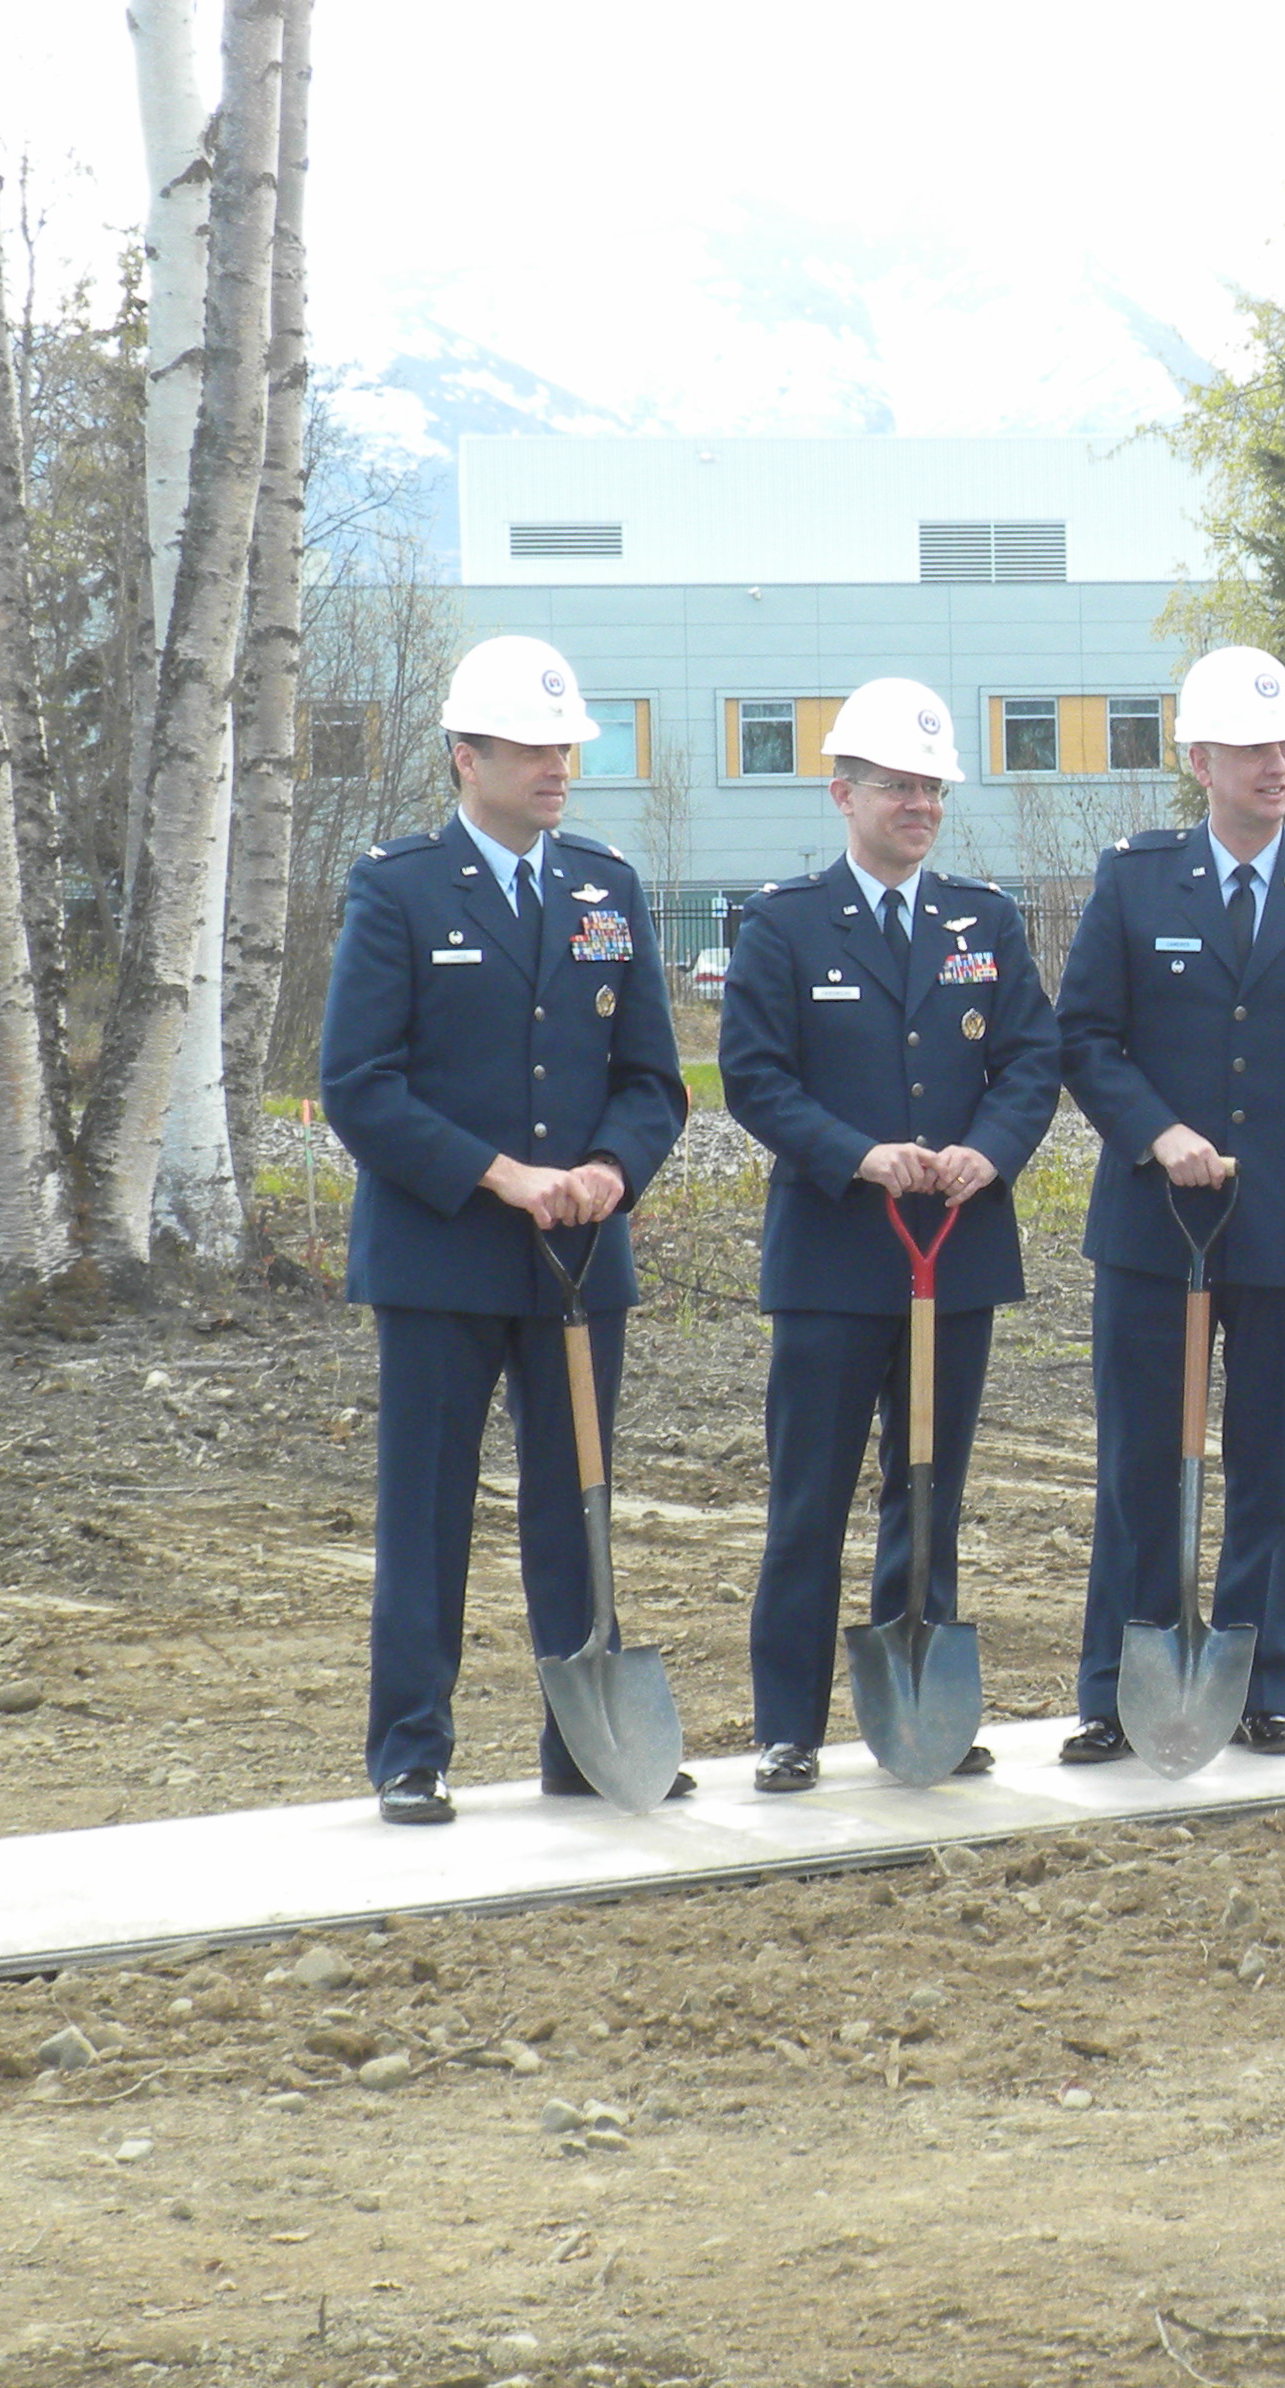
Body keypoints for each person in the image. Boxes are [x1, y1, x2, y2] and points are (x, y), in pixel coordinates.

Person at [320, 635, 691, 1823]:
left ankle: (580, 1741)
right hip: (443, 1255)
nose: (558, 767)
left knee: (575, 1500)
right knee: (426, 1509)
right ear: (463, 756)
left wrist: (606, 1173)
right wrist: (497, 1176)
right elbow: (360, 1083)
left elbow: (651, 1078)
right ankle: (411, 1749)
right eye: (532, 748)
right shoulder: (399, 885)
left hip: (578, 1250)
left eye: (566, 747)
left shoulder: (604, 886)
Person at [1052, 644, 1285, 1763]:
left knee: (1271, 1464)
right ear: (1198, 759)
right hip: (1158, 1223)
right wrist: (1156, 1134)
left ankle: (1263, 1686)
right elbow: (1085, 1038)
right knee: (1141, 1463)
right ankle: (1121, 1685)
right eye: (1255, 748)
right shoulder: (1136, 878)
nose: (1278, 764)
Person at [717, 676, 1062, 1793]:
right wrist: (856, 1156)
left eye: (931, 788)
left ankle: (921, 1708)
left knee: (928, 1486)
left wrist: (991, 1152)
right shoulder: (782, 924)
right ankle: (788, 1725)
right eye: (897, 787)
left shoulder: (986, 921)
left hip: (952, 1255)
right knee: (808, 1498)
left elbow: (1029, 1063)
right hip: (832, 1257)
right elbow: (754, 1079)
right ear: (843, 793)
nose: (918, 804)